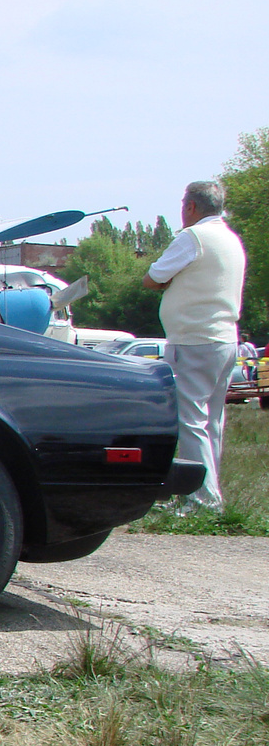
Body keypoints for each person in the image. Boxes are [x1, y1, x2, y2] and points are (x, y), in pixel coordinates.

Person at [142, 179, 248, 513]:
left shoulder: (194, 237)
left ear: (190, 207)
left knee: (189, 419)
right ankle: (209, 492)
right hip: (225, 338)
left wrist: (169, 281)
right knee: (211, 421)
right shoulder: (230, 239)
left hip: (195, 339)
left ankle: (201, 498)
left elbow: (153, 276)